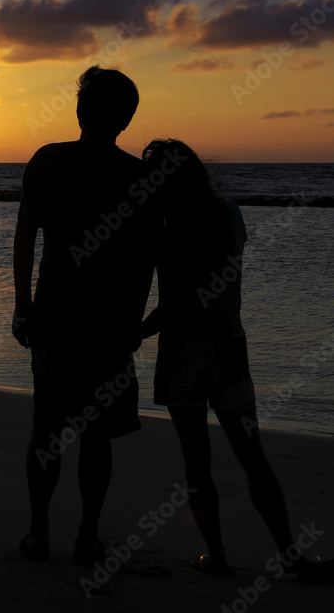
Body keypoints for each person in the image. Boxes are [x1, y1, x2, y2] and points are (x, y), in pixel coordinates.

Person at [140, 138, 332, 582]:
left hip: (183, 350)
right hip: (227, 347)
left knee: (197, 461)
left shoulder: (168, 226)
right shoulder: (228, 214)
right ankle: (288, 555)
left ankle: (218, 557)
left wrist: (137, 332)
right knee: (252, 455)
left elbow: (177, 298)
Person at [12, 66, 155, 564]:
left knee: (48, 426)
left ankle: (38, 533)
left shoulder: (48, 162)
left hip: (54, 315)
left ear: (79, 111)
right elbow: (145, 259)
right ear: (126, 119)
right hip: (108, 323)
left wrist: (22, 305)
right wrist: (135, 323)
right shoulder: (137, 177)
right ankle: (86, 537)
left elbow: (26, 235)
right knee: (95, 433)